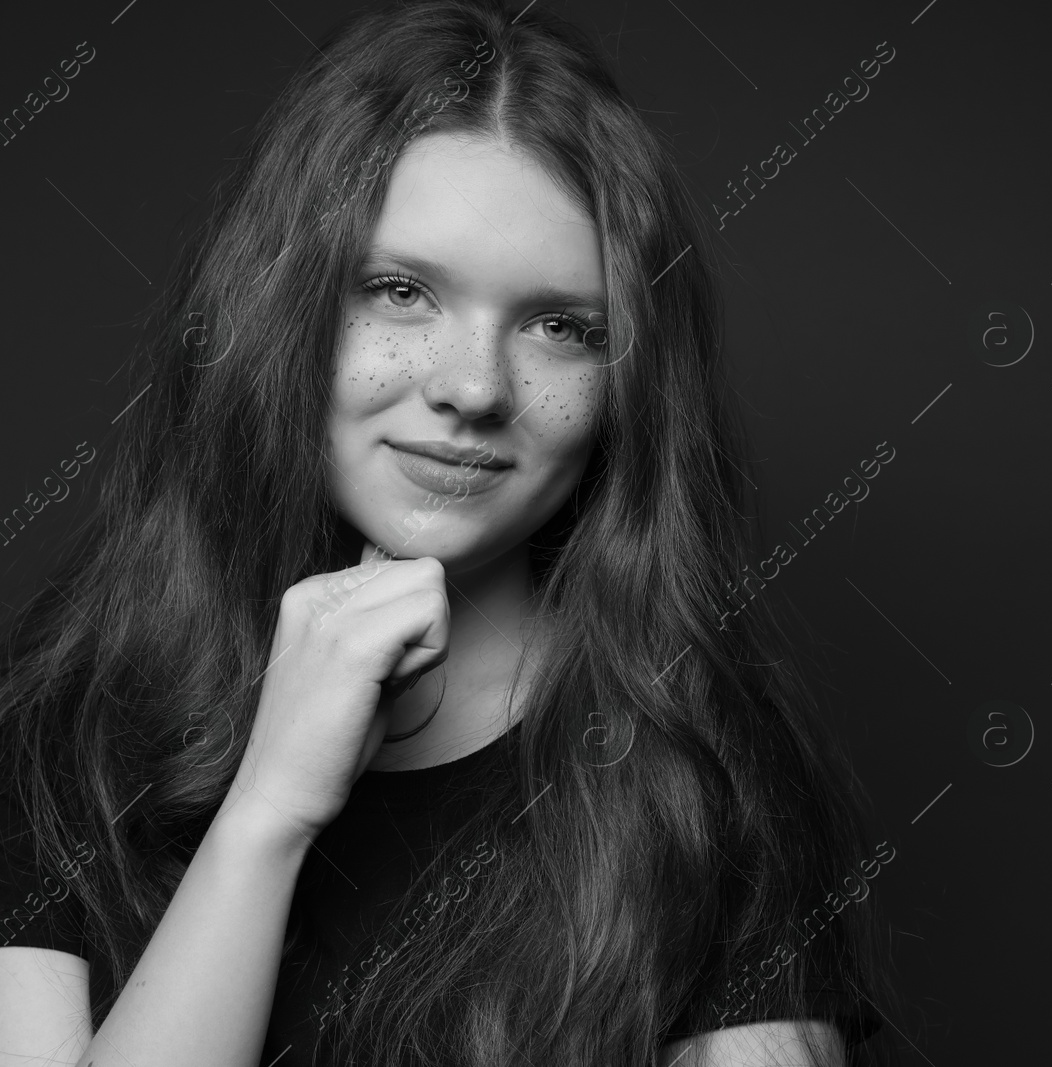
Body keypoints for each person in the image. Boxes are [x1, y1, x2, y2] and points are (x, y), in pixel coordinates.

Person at [0, 2, 896, 1064]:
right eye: (400, 292)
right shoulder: (70, 722)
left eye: (563, 327)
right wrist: (269, 811)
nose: (474, 387)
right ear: (283, 309)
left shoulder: (703, 768)